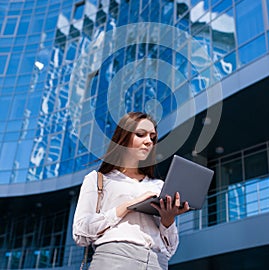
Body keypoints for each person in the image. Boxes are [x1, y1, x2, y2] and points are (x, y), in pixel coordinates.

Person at [72, 111, 189, 269]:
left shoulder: (158, 185)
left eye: (152, 137)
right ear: (123, 137)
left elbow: (170, 249)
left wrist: (168, 220)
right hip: (115, 259)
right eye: (141, 134)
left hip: (156, 262)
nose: (148, 141)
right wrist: (129, 205)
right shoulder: (99, 179)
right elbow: (80, 233)